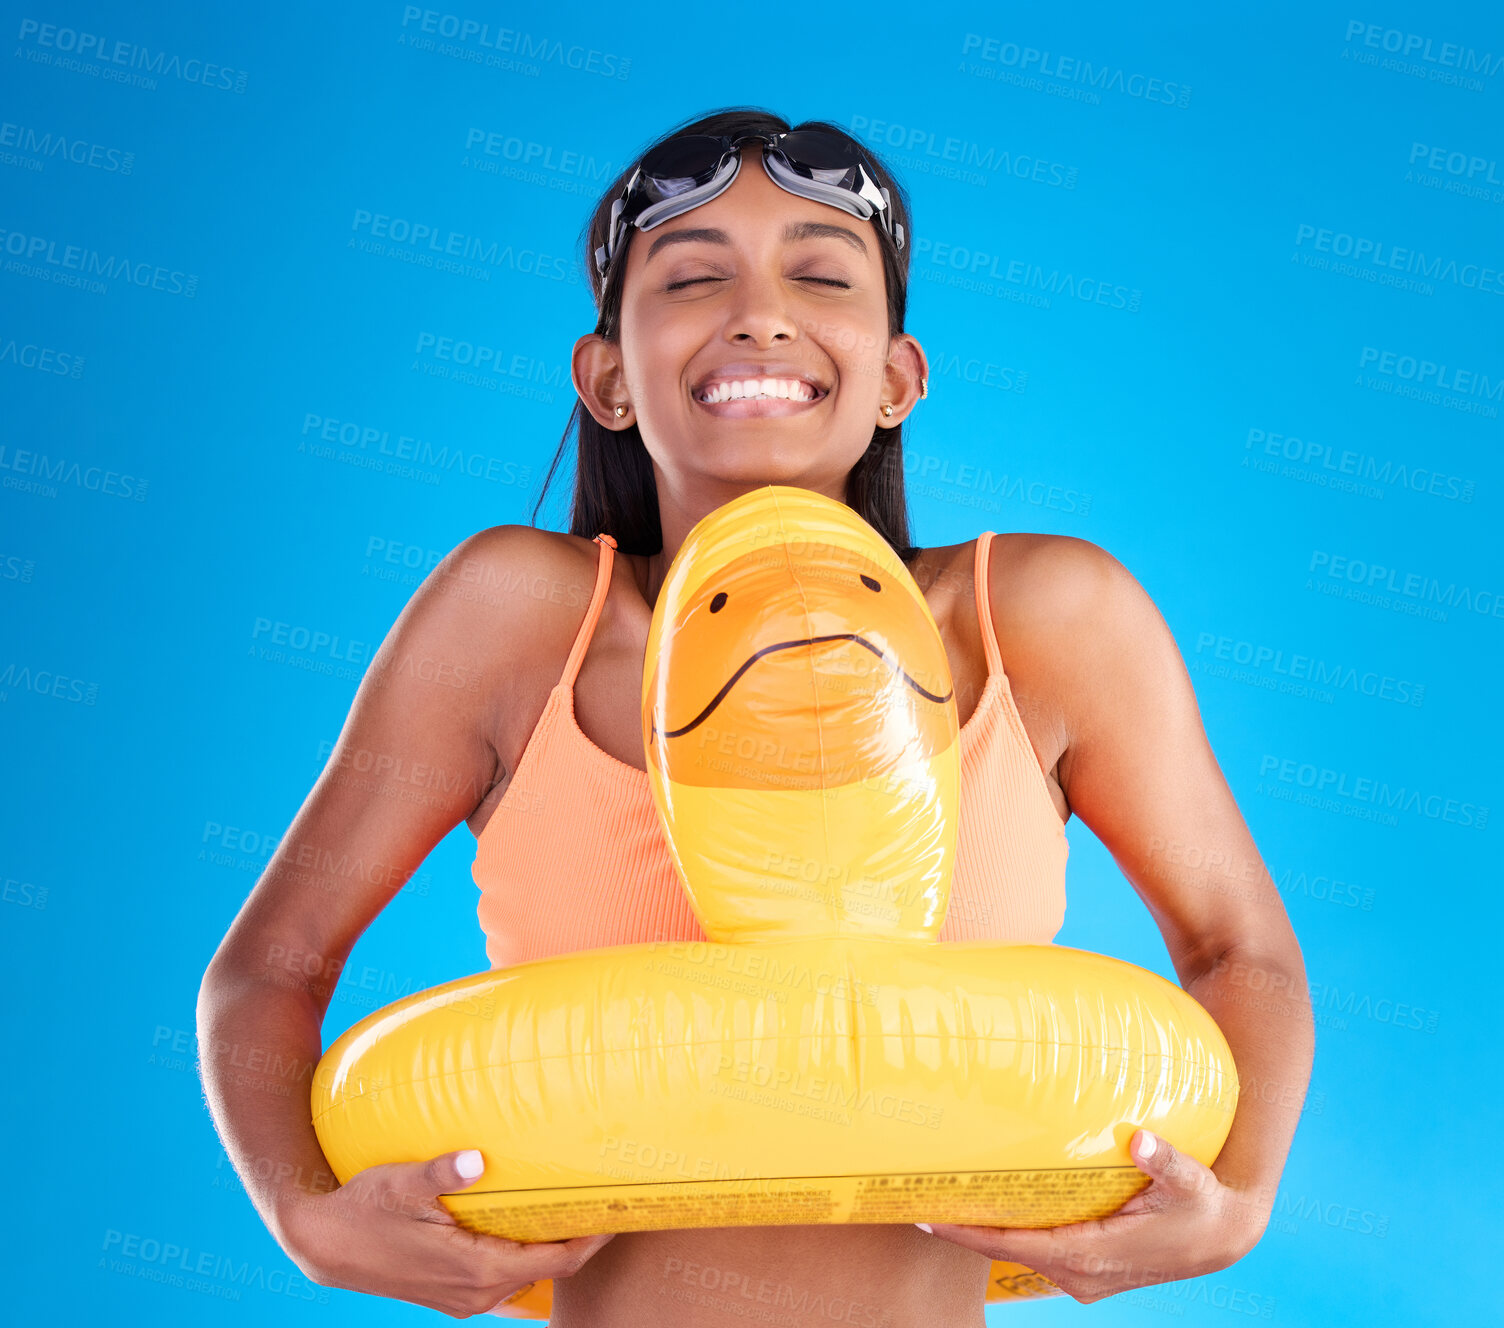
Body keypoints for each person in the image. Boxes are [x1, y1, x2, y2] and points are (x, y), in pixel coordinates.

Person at [197, 107, 1314, 1325]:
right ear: (607, 377)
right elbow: (270, 964)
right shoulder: (516, 619)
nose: (760, 311)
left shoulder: (1042, 621)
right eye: (692, 275)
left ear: (897, 375)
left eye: (820, 272)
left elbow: (1237, 948)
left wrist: (1240, 1201)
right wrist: (304, 1214)